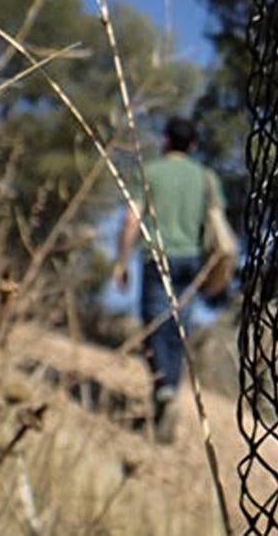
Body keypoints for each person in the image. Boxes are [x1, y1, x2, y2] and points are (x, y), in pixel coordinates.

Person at [112, 116, 226, 442]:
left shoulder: (151, 172)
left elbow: (132, 219)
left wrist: (122, 261)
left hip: (156, 257)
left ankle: (163, 389)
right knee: (178, 329)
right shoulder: (206, 177)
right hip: (192, 262)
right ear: (193, 146)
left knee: (154, 325)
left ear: (165, 141)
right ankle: (169, 392)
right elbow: (216, 220)